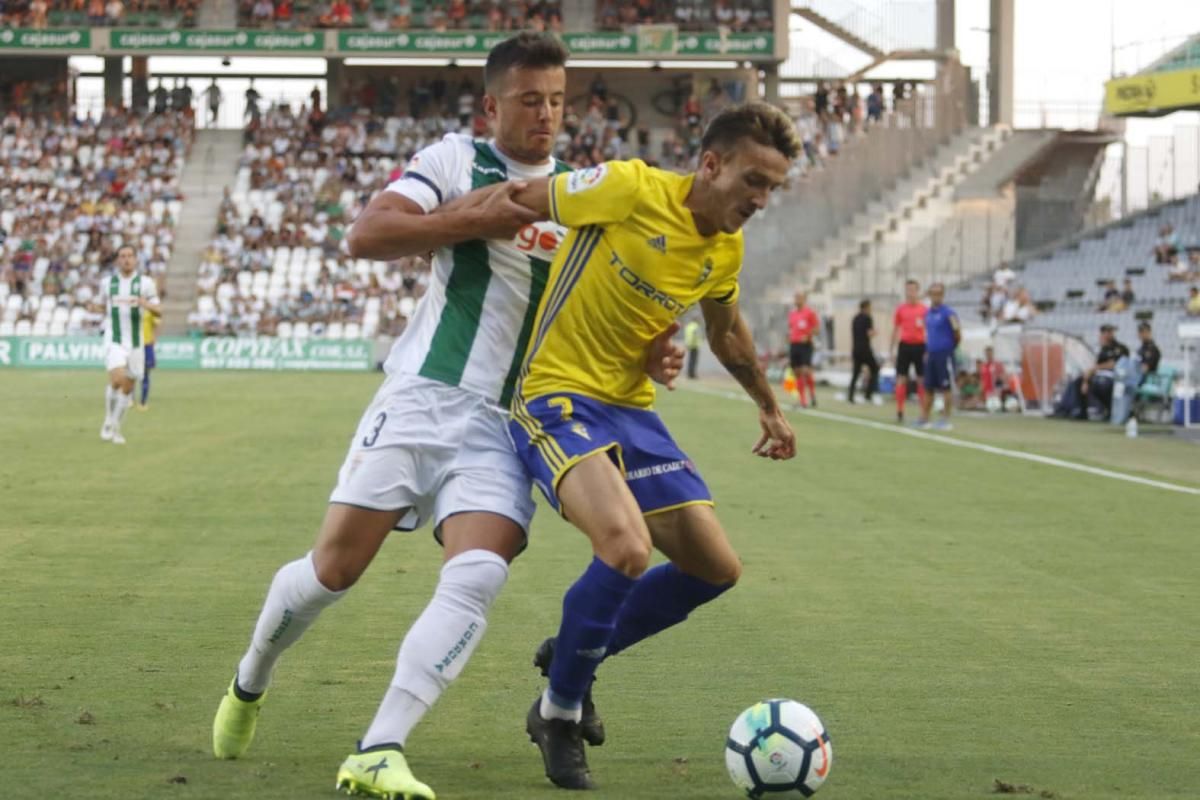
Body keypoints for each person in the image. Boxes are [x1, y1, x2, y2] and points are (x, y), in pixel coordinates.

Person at [209, 34, 681, 800]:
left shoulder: (581, 196)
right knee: (334, 571)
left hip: (508, 423)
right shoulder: (456, 161)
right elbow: (368, 234)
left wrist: (649, 357)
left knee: (478, 573)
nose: (547, 115)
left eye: (558, 100)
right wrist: (470, 222)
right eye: (531, 99)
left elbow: (601, 320)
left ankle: (378, 747)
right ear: (493, 104)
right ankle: (252, 676)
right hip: (422, 398)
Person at [494, 102, 800, 790]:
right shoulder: (629, 188)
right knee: (626, 550)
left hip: (629, 412)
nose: (759, 200)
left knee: (715, 568)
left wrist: (770, 408)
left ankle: (575, 652)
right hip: (554, 395)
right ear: (711, 163)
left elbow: (724, 333)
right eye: (752, 180)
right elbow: (520, 198)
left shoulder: (725, 246)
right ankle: (560, 713)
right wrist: (437, 235)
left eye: (771, 189)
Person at [99, 245, 161, 444]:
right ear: (117, 260)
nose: (126, 259)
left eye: (130, 256)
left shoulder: (145, 283)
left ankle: (116, 427)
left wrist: (145, 304)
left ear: (136, 259)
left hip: (136, 342)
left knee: (127, 387)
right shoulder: (108, 283)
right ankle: (108, 420)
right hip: (114, 338)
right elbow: (101, 305)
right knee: (117, 378)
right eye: (122, 256)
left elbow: (159, 310)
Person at [917, 282, 960, 430]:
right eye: (933, 293)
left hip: (944, 354)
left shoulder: (949, 313)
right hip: (931, 354)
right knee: (928, 387)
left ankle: (945, 419)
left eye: (938, 294)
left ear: (942, 295)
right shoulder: (927, 314)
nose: (935, 297)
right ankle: (924, 418)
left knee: (945, 387)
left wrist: (949, 349)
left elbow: (957, 333)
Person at [1068, 324, 1129, 420]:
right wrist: (1085, 380)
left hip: (1115, 377)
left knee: (1101, 384)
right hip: (1099, 376)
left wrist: (1095, 368)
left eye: (1110, 332)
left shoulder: (1121, 348)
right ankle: (1082, 412)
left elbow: (1113, 364)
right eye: (1105, 333)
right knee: (1078, 381)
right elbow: (1096, 366)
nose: (1108, 335)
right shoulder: (1103, 349)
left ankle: (1110, 410)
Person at [890, 279, 926, 423]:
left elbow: (928, 329)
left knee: (921, 380)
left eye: (913, 289)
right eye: (908, 289)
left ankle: (924, 411)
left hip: (920, 346)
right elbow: (896, 328)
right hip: (904, 346)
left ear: (918, 291)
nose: (910, 293)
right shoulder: (901, 309)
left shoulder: (924, 310)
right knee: (901, 379)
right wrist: (891, 349)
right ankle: (900, 410)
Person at [787, 290, 820, 407]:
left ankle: (812, 394)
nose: (796, 300)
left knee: (806, 371)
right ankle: (802, 400)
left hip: (805, 345)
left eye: (798, 297)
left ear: (804, 299)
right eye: (795, 297)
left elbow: (817, 329)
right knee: (797, 373)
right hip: (794, 345)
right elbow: (791, 329)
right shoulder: (792, 314)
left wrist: (808, 335)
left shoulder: (810, 313)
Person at [848, 298, 879, 404]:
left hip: (855, 349)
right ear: (866, 307)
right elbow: (869, 333)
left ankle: (850, 395)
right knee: (875, 369)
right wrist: (875, 332)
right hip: (865, 349)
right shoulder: (867, 318)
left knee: (856, 373)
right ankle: (868, 394)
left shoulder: (855, 318)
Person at [138, 290, 162, 409]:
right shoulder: (133, 309)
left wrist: (154, 338)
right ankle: (129, 400)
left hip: (147, 344)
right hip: (134, 344)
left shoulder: (150, 310)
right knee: (130, 373)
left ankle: (143, 402)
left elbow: (157, 324)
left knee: (145, 373)